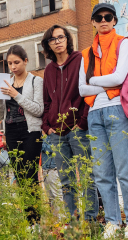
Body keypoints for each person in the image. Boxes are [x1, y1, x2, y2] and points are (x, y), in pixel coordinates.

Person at [79, 3, 128, 239]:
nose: (103, 20)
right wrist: (103, 82)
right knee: (102, 173)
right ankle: (112, 222)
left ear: (114, 20)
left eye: (108, 17)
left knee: (125, 171)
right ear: (93, 22)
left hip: (118, 109)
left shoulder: (123, 42)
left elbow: (120, 77)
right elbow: (81, 89)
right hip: (95, 113)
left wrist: (93, 81)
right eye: (98, 17)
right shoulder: (86, 53)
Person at [40, 24, 99, 222]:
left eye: (60, 37)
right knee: (66, 180)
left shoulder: (80, 60)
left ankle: (91, 220)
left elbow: (88, 92)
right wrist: (46, 127)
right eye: (52, 39)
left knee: (87, 175)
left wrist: (82, 122)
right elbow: (47, 101)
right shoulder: (48, 70)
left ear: (67, 39)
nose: (57, 42)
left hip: (78, 129)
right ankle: (73, 222)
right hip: (56, 133)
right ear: (48, 44)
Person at [0, 46, 44, 184]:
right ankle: (25, 206)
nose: (13, 67)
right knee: (18, 175)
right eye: (10, 63)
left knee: (30, 174)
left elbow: (39, 110)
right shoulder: (6, 83)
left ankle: (34, 206)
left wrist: (16, 95)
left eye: (16, 62)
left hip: (30, 132)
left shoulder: (36, 81)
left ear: (25, 61)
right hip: (11, 132)